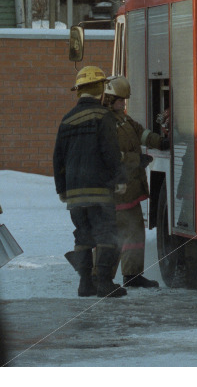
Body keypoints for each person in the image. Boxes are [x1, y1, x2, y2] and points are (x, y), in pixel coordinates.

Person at [53, 66, 128, 298]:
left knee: (83, 235)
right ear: (100, 89)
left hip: (75, 193)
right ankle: (104, 283)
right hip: (98, 189)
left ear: (79, 91)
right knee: (106, 234)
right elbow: (110, 151)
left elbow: (58, 158)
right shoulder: (102, 116)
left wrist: (62, 189)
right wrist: (120, 178)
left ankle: (85, 284)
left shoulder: (67, 119)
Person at [103, 75, 168, 288]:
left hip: (130, 189)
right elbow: (109, 155)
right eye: (120, 100)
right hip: (115, 190)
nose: (124, 103)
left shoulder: (123, 119)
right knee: (113, 234)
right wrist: (135, 160)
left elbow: (141, 133)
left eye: (124, 100)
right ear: (108, 99)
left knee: (134, 232)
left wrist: (161, 142)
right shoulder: (104, 123)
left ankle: (132, 275)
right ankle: (102, 277)